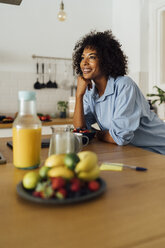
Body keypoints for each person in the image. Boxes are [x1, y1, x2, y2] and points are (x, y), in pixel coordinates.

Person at [72, 30, 165, 155]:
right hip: (137, 151)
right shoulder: (91, 92)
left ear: (106, 60)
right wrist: (79, 95)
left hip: (160, 150)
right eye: (83, 57)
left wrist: (95, 134)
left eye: (92, 57)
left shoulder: (124, 85)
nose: (84, 62)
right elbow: (81, 131)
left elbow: (119, 138)